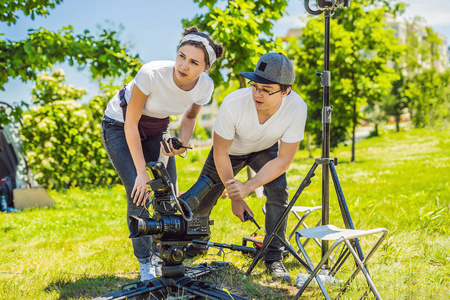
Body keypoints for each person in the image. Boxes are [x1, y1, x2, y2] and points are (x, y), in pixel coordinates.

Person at [101, 27, 224, 281]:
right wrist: (140, 173)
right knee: (140, 191)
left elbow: (190, 116)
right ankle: (146, 263)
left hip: (158, 129)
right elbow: (131, 124)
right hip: (120, 124)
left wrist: (182, 143)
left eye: (193, 62)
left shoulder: (205, 87)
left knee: (168, 194)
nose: (183, 65)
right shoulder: (152, 73)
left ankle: (162, 256)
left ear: (205, 68)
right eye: (181, 56)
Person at [186, 52, 307, 281]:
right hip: (230, 152)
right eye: (255, 86)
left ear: (285, 91)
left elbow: (284, 160)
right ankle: (199, 242)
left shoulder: (297, 108)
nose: (257, 94)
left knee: (279, 191)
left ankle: (273, 256)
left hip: (265, 149)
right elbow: (220, 152)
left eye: (266, 90)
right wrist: (236, 197)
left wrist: (249, 186)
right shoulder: (233, 103)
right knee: (200, 202)